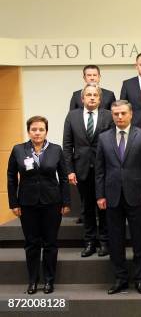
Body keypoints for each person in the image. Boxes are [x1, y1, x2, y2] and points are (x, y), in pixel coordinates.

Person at [96, 100, 141, 295]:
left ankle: (139, 279)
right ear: (112, 116)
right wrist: (100, 195)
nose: (119, 117)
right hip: (112, 197)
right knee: (115, 241)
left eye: (122, 113)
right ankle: (120, 279)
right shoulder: (103, 138)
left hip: (137, 196)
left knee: (139, 239)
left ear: (131, 114)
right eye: (116, 114)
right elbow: (100, 170)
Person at [7, 116, 71, 294]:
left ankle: (49, 281)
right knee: (31, 243)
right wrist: (13, 202)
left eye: (41, 129)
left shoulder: (56, 150)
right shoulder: (19, 150)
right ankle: (33, 281)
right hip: (27, 204)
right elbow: (11, 178)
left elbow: (64, 178)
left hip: (52, 203)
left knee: (50, 243)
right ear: (29, 131)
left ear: (46, 131)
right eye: (34, 129)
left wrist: (66, 201)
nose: (37, 133)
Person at [63, 84, 114, 258]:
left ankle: (105, 242)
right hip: (81, 168)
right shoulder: (72, 116)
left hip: (105, 169)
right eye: (88, 95)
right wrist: (69, 170)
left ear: (100, 99)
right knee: (87, 207)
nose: (92, 98)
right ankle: (90, 242)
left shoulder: (108, 116)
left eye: (95, 95)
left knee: (104, 206)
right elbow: (67, 145)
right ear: (82, 98)